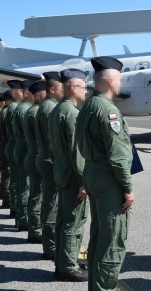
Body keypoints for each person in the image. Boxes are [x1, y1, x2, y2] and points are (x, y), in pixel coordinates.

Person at [75, 56, 135, 291]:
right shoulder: (108, 110)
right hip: (109, 180)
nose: (121, 83)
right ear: (111, 80)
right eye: (119, 78)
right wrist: (128, 188)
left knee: (99, 236)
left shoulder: (88, 105)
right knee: (112, 241)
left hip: (93, 174)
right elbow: (118, 156)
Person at [48, 68, 89, 282]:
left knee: (64, 220)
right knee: (73, 222)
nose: (86, 91)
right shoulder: (72, 113)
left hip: (62, 172)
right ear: (73, 87)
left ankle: (63, 261)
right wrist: (84, 181)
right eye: (83, 86)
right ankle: (67, 267)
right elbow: (77, 151)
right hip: (73, 176)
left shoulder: (58, 110)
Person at [36, 71, 64, 260]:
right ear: (53, 89)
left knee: (49, 202)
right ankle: (51, 247)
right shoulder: (50, 108)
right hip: (50, 161)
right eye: (61, 88)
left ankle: (50, 245)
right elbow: (52, 140)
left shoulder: (47, 106)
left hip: (44, 159)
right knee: (52, 205)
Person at [24, 81, 47, 244]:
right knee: (38, 194)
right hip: (37, 155)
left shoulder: (30, 111)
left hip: (31, 154)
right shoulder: (37, 112)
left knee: (34, 193)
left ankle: (34, 228)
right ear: (39, 94)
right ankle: (35, 230)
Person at [12, 79, 35, 231]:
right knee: (26, 186)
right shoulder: (25, 109)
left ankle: (20, 217)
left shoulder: (19, 108)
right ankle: (24, 220)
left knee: (21, 184)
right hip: (26, 149)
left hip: (20, 148)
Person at [5, 80, 24, 220]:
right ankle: (19, 212)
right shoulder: (16, 108)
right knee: (20, 183)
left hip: (14, 145)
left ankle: (15, 209)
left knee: (16, 181)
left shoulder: (13, 107)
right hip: (18, 146)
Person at [0, 90, 13, 210]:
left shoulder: (3, 112)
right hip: (8, 147)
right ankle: (7, 198)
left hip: (4, 147)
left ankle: (5, 197)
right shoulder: (7, 112)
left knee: (5, 173)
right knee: (8, 174)